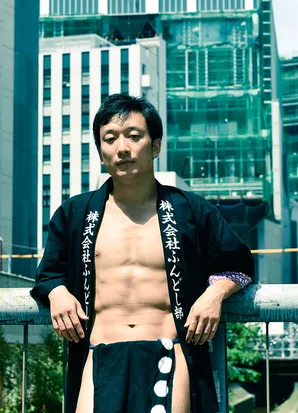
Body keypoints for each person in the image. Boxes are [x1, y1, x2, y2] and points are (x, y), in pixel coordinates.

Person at [31, 94, 254, 413]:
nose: (122, 148)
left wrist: (215, 294)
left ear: (155, 146)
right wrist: (58, 294)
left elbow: (240, 264)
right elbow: (49, 274)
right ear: (101, 151)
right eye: (110, 139)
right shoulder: (75, 214)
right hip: (99, 353)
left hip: (170, 352)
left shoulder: (191, 210)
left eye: (134, 136)